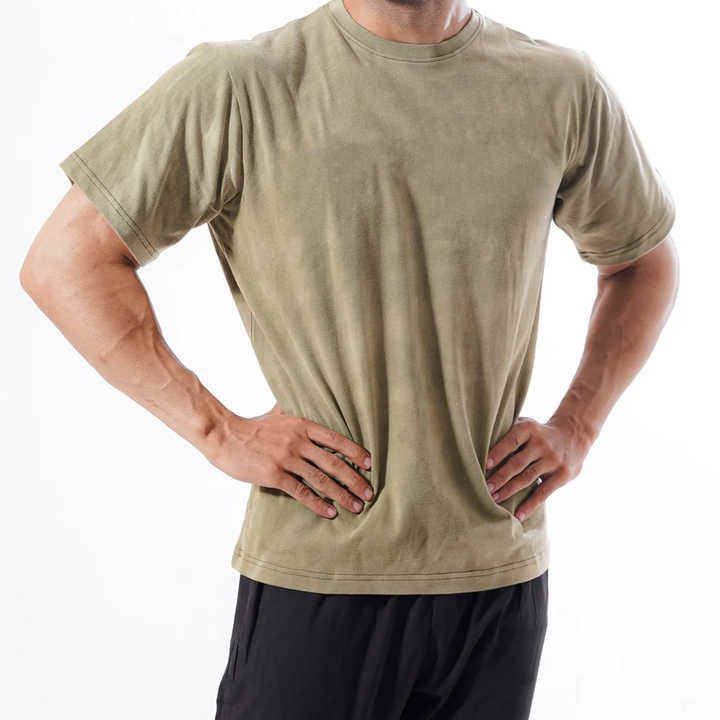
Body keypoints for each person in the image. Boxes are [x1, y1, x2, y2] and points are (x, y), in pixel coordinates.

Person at [20, 1, 678, 718]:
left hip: (497, 579)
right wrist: (218, 431)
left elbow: (643, 263)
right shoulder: (242, 83)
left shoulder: (560, 87)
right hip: (322, 573)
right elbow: (66, 261)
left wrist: (578, 425)